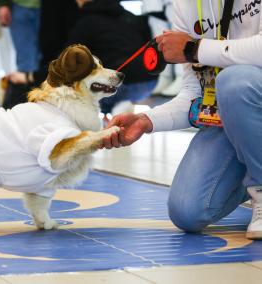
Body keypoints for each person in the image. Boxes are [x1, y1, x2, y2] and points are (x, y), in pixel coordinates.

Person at [102, 0, 262, 240]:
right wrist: (146, 120)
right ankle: (253, 161)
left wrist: (194, 49)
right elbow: (195, 93)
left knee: (234, 82)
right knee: (187, 211)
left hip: (245, 89)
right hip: (238, 112)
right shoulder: (186, 4)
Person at [68, 0, 156, 116]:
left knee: (75, 93)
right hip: (148, 82)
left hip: (118, 85)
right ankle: (119, 108)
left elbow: (68, 62)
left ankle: (113, 109)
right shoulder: (132, 17)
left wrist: (37, 77)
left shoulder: (86, 23)